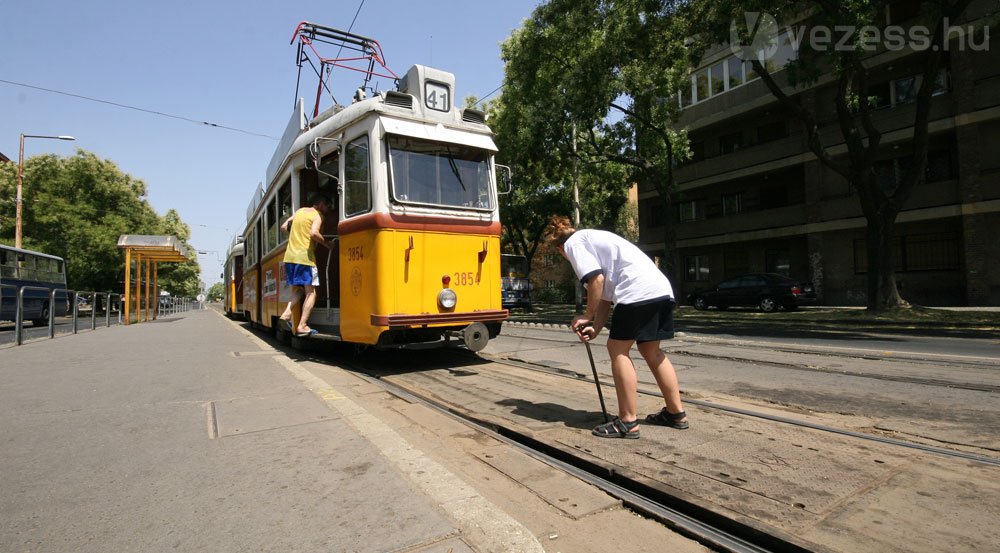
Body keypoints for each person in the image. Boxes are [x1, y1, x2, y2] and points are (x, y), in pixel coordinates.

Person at [548, 216, 688, 439]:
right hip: (660, 289)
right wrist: (595, 327)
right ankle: (676, 413)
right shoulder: (592, 238)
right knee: (651, 350)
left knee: (617, 349)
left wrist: (586, 315)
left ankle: (628, 421)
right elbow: (605, 297)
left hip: (636, 292)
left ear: (559, 250)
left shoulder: (574, 244)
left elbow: (596, 281)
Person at [279, 192, 333, 336]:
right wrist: (328, 245)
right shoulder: (318, 215)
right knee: (311, 293)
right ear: (321, 204)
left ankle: (285, 314)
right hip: (305, 258)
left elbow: (284, 226)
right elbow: (314, 233)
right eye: (328, 206)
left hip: (290, 257)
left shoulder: (300, 211)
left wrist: (297, 233)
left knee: (299, 290)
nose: (328, 210)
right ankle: (302, 325)